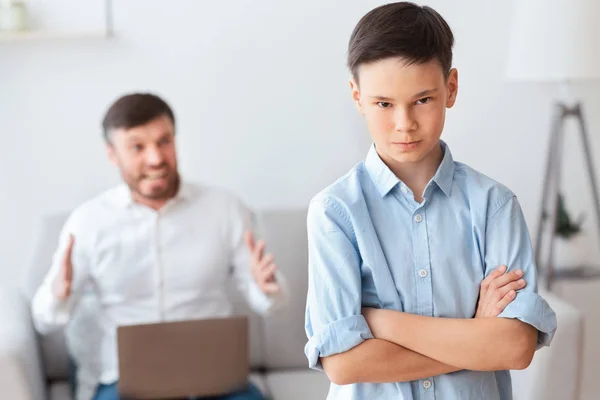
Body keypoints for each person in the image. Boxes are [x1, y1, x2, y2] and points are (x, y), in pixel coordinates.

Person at [304, 2, 557, 399]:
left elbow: (514, 347)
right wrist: (476, 337)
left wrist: (381, 324)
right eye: (383, 104)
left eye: (422, 99)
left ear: (450, 88)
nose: (404, 123)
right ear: (357, 96)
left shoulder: (495, 206)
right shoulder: (335, 213)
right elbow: (344, 363)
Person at [31, 93, 287, 400]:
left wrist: (268, 286)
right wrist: (59, 294)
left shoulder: (225, 208)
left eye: (164, 141)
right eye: (137, 147)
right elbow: (44, 321)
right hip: (124, 384)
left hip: (213, 377)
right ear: (113, 154)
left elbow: (271, 303)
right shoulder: (88, 222)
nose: (155, 158)